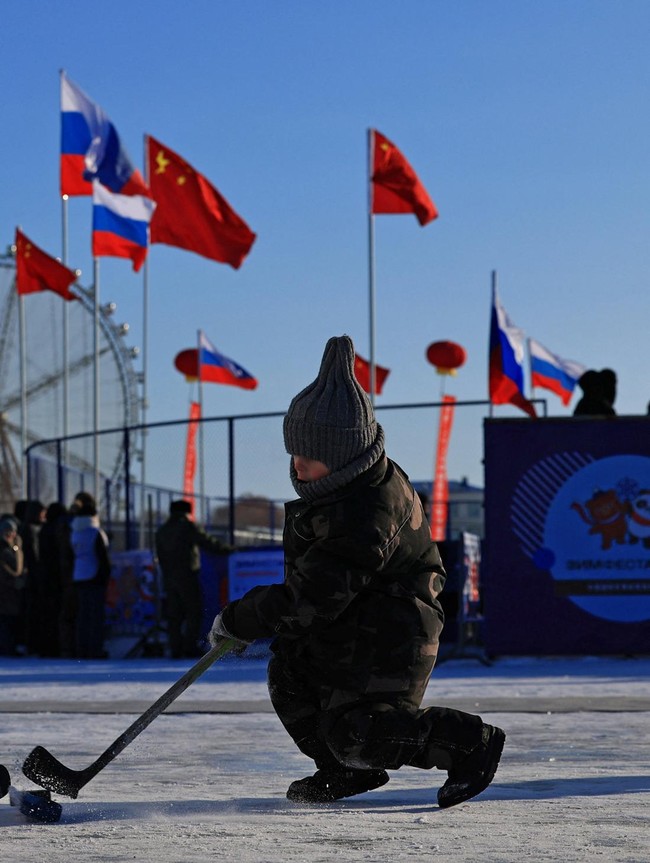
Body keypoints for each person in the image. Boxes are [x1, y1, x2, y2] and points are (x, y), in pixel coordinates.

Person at [208, 335, 505, 808]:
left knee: (361, 733)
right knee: (290, 672)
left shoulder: (367, 510)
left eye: (310, 454)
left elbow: (316, 594)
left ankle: (469, 742)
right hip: (353, 620)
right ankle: (341, 770)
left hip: (393, 633)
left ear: (345, 452)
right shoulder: (345, 485)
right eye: (294, 452)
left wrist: (242, 619)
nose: (297, 464)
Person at [155, 500, 233, 659]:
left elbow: (160, 554)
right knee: (193, 611)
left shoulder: (162, 531)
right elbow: (207, 542)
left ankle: (175, 648)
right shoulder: (187, 527)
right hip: (187, 575)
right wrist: (228, 550)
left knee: (174, 615)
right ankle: (189, 646)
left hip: (169, 577)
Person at [69, 492, 111, 659]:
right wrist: (106, 576)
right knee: (95, 616)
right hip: (94, 575)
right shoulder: (95, 532)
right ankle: (95, 649)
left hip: (79, 574)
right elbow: (102, 556)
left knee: (83, 616)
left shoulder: (75, 532)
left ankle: (82, 648)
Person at [0, 516, 25, 656]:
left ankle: (10, 645)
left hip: (12, 592)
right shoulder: (3, 550)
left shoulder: (14, 548)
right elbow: (9, 570)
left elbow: (19, 567)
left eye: (12, 532)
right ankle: (7, 647)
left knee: (11, 620)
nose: (10, 535)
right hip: (5, 591)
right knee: (6, 621)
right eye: (7, 531)